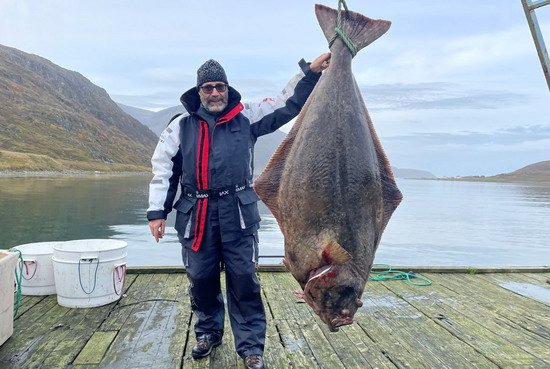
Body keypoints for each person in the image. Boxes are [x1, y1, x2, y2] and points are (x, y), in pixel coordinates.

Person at [147, 53, 330, 369]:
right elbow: (164, 170)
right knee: (200, 277)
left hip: (239, 213)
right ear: (199, 91)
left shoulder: (248, 117)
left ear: (228, 89)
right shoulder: (179, 127)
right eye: (208, 88)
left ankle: (250, 347)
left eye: (220, 86)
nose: (215, 93)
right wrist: (157, 212)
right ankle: (208, 332)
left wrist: (310, 73)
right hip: (196, 214)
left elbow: (287, 104)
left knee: (244, 279)